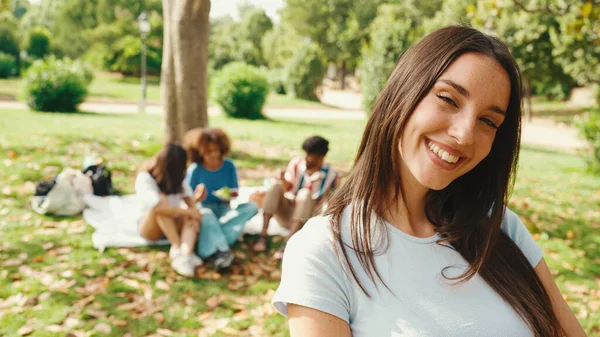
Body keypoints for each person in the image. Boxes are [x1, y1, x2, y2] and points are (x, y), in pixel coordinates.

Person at [272, 26, 587, 337]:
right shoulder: (324, 251)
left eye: (488, 121)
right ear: (404, 91)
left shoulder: (500, 226)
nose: (464, 135)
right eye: (448, 99)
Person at [252, 135, 338, 259]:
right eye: (306, 154)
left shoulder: (331, 174)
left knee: (305, 193)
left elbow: (332, 202)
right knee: (276, 186)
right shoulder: (297, 164)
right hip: (287, 212)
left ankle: (288, 242)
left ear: (320, 157)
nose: (307, 158)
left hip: (306, 218)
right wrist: (282, 180)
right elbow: (287, 187)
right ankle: (263, 235)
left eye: (311, 156)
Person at [185, 128, 259, 269]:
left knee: (252, 206)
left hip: (224, 208)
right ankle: (222, 251)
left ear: (221, 149)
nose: (212, 155)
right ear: (199, 152)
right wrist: (197, 198)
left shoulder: (229, 166)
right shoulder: (195, 169)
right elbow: (188, 201)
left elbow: (234, 192)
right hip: (204, 211)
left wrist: (228, 196)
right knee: (206, 214)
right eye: (207, 152)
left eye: (215, 151)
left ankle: (213, 247)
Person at [136, 143, 203, 278]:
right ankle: (178, 248)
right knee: (161, 205)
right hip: (150, 227)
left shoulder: (179, 177)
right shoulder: (145, 177)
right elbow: (158, 208)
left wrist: (194, 214)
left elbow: (190, 203)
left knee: (190, 214)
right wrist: (188, 212)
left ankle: (185, 254)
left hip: (172, 223)